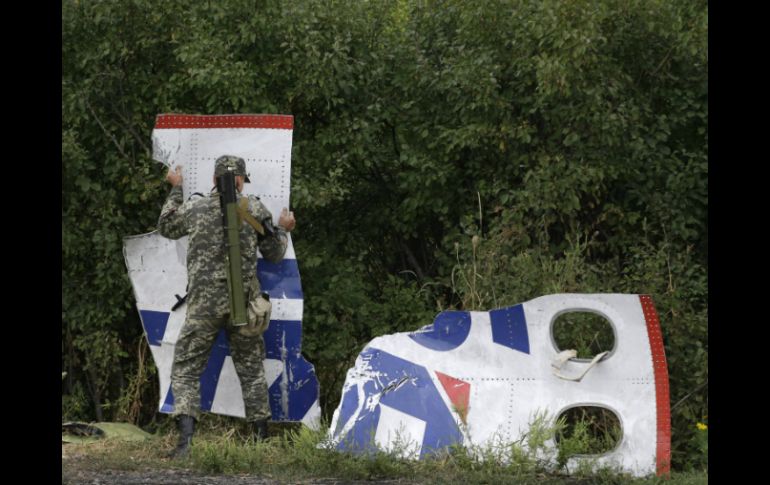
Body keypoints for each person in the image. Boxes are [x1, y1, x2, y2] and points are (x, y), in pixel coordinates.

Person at [157, 155, 296, 458]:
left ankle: (185, 444)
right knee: (251, 371)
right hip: (243, 305)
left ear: (214, 180)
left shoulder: (194, 208)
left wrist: (177, 188)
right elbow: (274, 252)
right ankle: (260, 443)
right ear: (239, 181)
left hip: (204, 306)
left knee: (186, 370)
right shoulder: (254, 209)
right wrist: (284, 228)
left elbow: (166, 226)